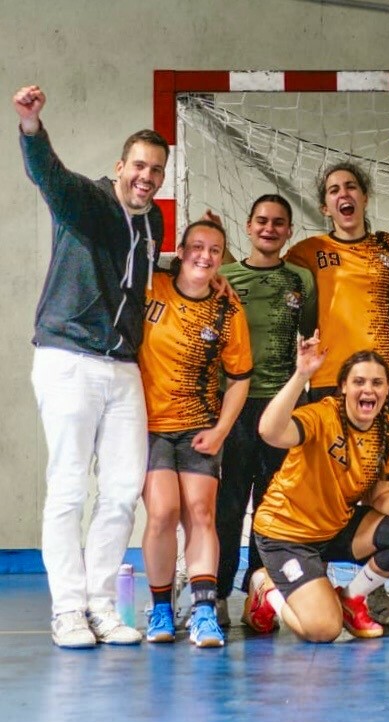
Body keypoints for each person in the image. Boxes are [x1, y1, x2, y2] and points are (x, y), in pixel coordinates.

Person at [15, 84, 165, 648]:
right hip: (69, 359)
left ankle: (102, 606)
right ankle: (68, 610)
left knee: (123, 489)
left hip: (122, 367)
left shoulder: (153, 223)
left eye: (156, 170)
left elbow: (142, 272)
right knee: (70, 487)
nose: (147, 177)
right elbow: (48, 174)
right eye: (139, 166)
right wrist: (32, 127)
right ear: (120, 167)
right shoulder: (86, 201)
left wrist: (203, 267)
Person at [241, 340, 389, 642]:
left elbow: (383, 494)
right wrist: (301, 375)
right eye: (359, 381)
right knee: (323, 630)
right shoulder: (322, 416)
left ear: (388, 390)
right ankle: (266, 588)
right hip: (286, 534)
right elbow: (269, 431)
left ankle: (352, 598)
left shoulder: (386, 430)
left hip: (334, 528)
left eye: (377, 383)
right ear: (344, 387)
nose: (368, 389)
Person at [139, 220, 252, 647]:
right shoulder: (153, 287)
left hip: (199, 427)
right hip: (149, 427)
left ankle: (204, 612)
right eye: (197, 247)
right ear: (182, 251)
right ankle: (161, 609)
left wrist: (221, 430)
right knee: (163, 512)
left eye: (215, 250)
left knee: (201, 513)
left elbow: (239, 377)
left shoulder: (228, 310)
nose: (205, 256)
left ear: (222, 259)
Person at [214, 195, 317, 626]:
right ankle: (216, 594)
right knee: (229, 505)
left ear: (289, 231)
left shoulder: (301, 280)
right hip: (235, 406)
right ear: (248, 225)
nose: (269, 228)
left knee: (271, 508)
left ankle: (259, 595)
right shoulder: (224, 277)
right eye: (261, 221)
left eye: (278, 222)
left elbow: (311, 338)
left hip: (282, 409)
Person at [284, 161, 389, 409]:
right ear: (325, 208)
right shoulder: (307, 252)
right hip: (330, 377)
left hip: (383, 376)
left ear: (365, 198)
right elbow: (264, 275)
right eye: (334, 190)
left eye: (351, 186)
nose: (343, 193)